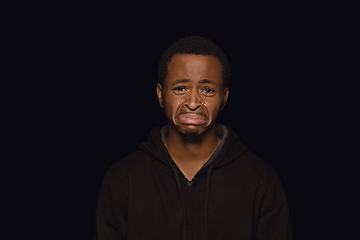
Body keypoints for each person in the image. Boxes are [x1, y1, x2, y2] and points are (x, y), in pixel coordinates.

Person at [94, 36, 292, 240]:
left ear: (224, 97)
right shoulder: (123, 178)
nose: (193, 102)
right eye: (181, 88)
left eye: (207, 90)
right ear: (160, 94)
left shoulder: (261, 179)